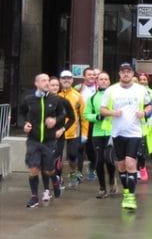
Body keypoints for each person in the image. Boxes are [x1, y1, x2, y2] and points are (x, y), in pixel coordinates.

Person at [100, 62, 152, 210]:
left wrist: (144, 113)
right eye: (123, 71)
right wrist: (113, 113)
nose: (126, 74)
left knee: (130, 163)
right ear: (119, 73)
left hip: (135, 132)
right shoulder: (111, 90)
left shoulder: (141, 90)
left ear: (132, 73)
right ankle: (126, 191)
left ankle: (131, 196)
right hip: (118, 132)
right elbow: (102, 110)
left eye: (128, 71)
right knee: (121, 166)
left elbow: (150, 106)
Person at [20, 74, 72, 207]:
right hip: (33, 140)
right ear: (36, 83)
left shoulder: (56, 99)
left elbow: (63, 114)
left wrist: (55, 121)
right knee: (33, 169)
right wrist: (25, 124)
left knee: (48, 170)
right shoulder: (28, 99)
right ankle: (34, 197)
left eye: (48, 80)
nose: (47, 83)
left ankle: (54, 179)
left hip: (49, 141)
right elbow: (22, 114)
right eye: (44, 80)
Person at [83, 71, 117, 199]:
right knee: (99, 160)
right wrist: (97, 116)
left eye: (106, 79)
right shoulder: (92, 98)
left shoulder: (115, 96)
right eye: (101, 79)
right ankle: (102, 188)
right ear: (97, 82)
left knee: (109, 159)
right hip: (97, 133)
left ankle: (112, 181)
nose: (103, 81)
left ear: (109, 82)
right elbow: (86, 115)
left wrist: (111, 114)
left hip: (111, 132)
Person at [57, 70, 88, 188]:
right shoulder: (56, 95)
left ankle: (73, 173)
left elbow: (83, 117)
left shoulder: (77, 96)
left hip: (72, 132)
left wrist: (84, 133)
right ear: (60, 80)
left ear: (72, 80)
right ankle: (58, 178)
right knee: (58, 157)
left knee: (73, 155)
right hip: (58, 132)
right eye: (64, 78)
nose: (66, 80)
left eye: (69, 78)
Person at [75, 67, 98, 181]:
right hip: (80, 122)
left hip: (94, 122)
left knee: (92, 148)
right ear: (84, 76)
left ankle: (92, 169)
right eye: (89, 75)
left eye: (94, 75)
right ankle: (78, 172)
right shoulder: (78, 88)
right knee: (79, 147)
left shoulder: (99, 88)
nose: (92, 77)